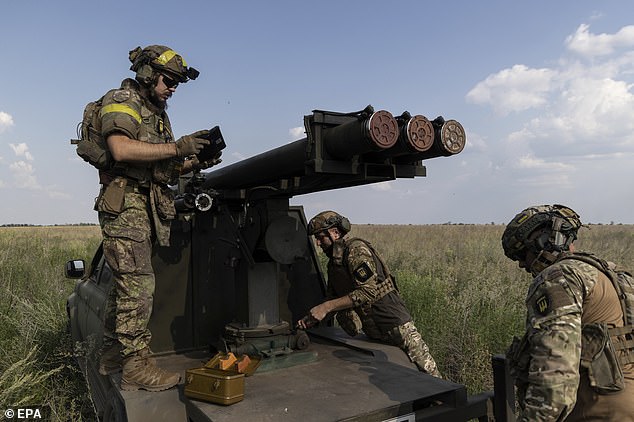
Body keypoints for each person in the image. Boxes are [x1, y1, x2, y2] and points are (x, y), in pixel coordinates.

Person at [93, 45, 221, 392]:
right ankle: (135, 365)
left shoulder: (156, 112)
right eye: (169, 80)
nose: (174, 88)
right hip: (127, 205)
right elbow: (121, 148)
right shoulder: (123, 99)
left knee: (126, 291)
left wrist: (198, 160)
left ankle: (112, 356)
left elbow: (162, 167)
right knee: (139, 288)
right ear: (148, 74)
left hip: (145, 204)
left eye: (179, 83)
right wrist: (178, 148)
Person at [502, 204, 634, 421]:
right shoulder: (614, 275)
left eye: (522, 253)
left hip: (596, 411)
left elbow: (556, 381)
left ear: (545, 241)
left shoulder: (558, 278)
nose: (522, 264)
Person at [297, 210, 441, 378]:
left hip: (395, 324)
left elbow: (366, 291)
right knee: (396, 377)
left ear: (335, 233)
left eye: (321, 237)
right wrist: (312, 317)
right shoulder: (335, 263)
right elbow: (333, 298)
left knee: (428, 373)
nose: (318, 243)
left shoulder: (356, 250)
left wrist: (326, 307)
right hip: (374, 330)